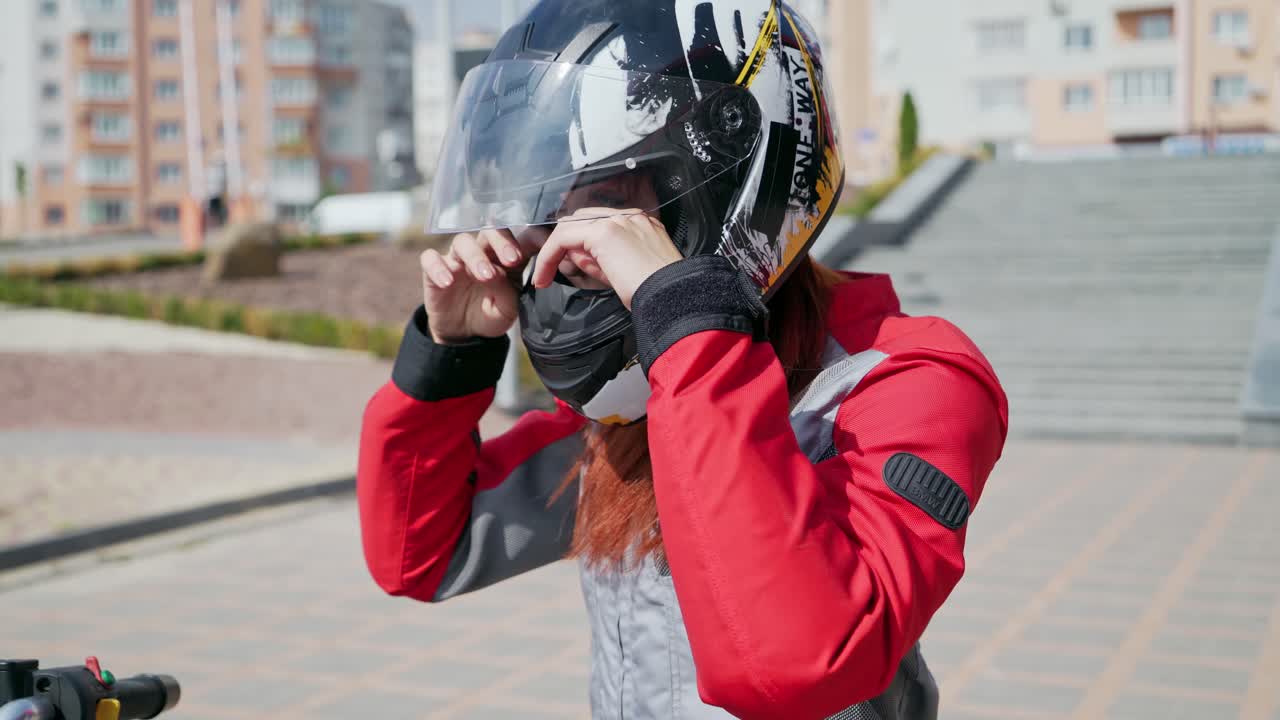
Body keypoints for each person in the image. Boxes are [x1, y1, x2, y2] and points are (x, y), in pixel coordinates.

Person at [357, 2, 1008, 718]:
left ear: (725, 184)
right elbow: (421, 553)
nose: (570, 250)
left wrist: (690, 334)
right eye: (550, 211)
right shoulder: (629, 404)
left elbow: (798, 668)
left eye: (606, 205)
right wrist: (450, 358)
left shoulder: (904, 384)